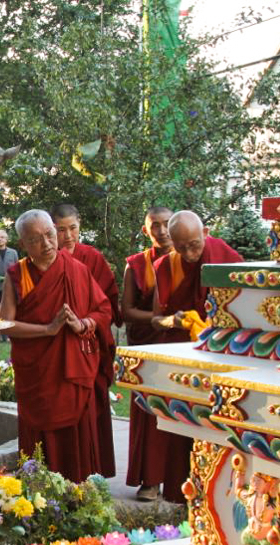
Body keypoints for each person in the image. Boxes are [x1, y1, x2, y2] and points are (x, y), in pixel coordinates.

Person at [0, 210, 112, 482]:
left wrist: (82, 324)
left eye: (50, 235)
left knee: (75, 436)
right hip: (37, 372)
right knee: (39, 441)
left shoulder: (76, 269)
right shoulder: (17, 275)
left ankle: (79, 494)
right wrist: (47, 330)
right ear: (23, 244)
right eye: (36, 239)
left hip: (72, 367)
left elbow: (103, 310)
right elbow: (4, 324)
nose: (47, 244)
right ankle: (39, 496)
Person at [148, 210, 243, 500]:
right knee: (181, 433)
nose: (189, 253)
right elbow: (156, 319)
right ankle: (180, 499)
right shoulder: (165, 265)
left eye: (194, 245)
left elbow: (243, 313)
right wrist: (174, 321)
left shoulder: (226, 257)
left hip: (222, 361)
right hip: (184, 363)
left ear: (205, 233)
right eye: (181, 246)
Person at [50, 203, 120, 478]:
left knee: (92, 410)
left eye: (73, 228)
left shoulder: (92, 258)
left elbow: (108, 306)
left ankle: (94, 469)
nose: (68, 236)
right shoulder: (43, 260)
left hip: (89, 345)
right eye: (61, 230)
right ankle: (60, 471)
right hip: (55, 346)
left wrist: (86, 324)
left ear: (80, 226)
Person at [122, 207, 179, 501]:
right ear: (146, 230)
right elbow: (127, 310)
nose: (162, 230)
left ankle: (180, 479)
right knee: (150, 413)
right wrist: (155, 320)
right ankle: (151, 480)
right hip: (149, 345)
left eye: (167, 224)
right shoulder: (136, 264)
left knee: (181, 411)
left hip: (182, 345)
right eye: (154, 225)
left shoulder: (190, 260)